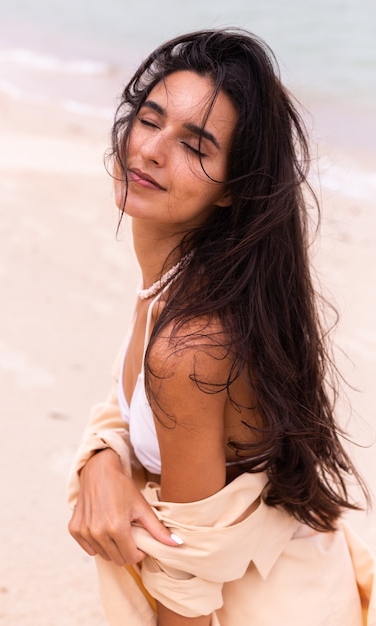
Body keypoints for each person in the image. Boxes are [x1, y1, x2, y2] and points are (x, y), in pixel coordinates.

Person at [67, 28, 375, 626]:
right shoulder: (186, 277)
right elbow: (127, 397)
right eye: (150, 119)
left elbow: (185, 588)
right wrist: (101, 459)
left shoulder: (192, 344)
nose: (152, 150)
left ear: (234, 189)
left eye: (195, 146)